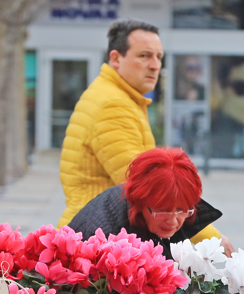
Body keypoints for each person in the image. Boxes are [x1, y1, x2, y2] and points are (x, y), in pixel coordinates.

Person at [57, 18, 227, 252]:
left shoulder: (120, 97)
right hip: (97, 238)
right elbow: (148, 186)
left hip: (98, 233)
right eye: (144, 56)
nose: (155, 65)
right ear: (116, 58)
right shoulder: (113, 104)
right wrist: (211, 238)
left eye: (159, 57)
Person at [68, 148, 224, 260]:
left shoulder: (151, 219)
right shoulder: (105, 236)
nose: (173, 221)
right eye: (163, 211)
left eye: (182, 210)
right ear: (140, 201)